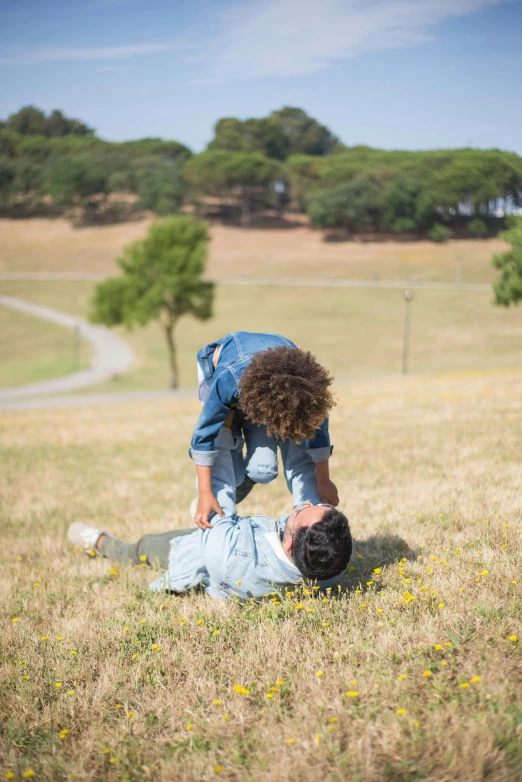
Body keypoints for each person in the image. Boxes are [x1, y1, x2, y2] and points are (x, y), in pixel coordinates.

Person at [190, 331, 339, 530]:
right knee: (227, 467)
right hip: (231, 380)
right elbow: (204, 435)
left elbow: (318, 431)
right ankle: (215, 516)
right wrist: (205, 492)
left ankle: (308, 521)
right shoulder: (228, 379)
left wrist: (323, 479)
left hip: (269, 391)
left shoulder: (305, 389)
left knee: (263, 470)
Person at [67, 500, 352, 600]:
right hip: (221, 554)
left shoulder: (231, 556)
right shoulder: (327, 568)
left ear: (290, 543)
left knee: (141, 549)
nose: (305, 504)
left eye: (301, 511)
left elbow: (213, 509)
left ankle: (101, 543)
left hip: (194, 553)